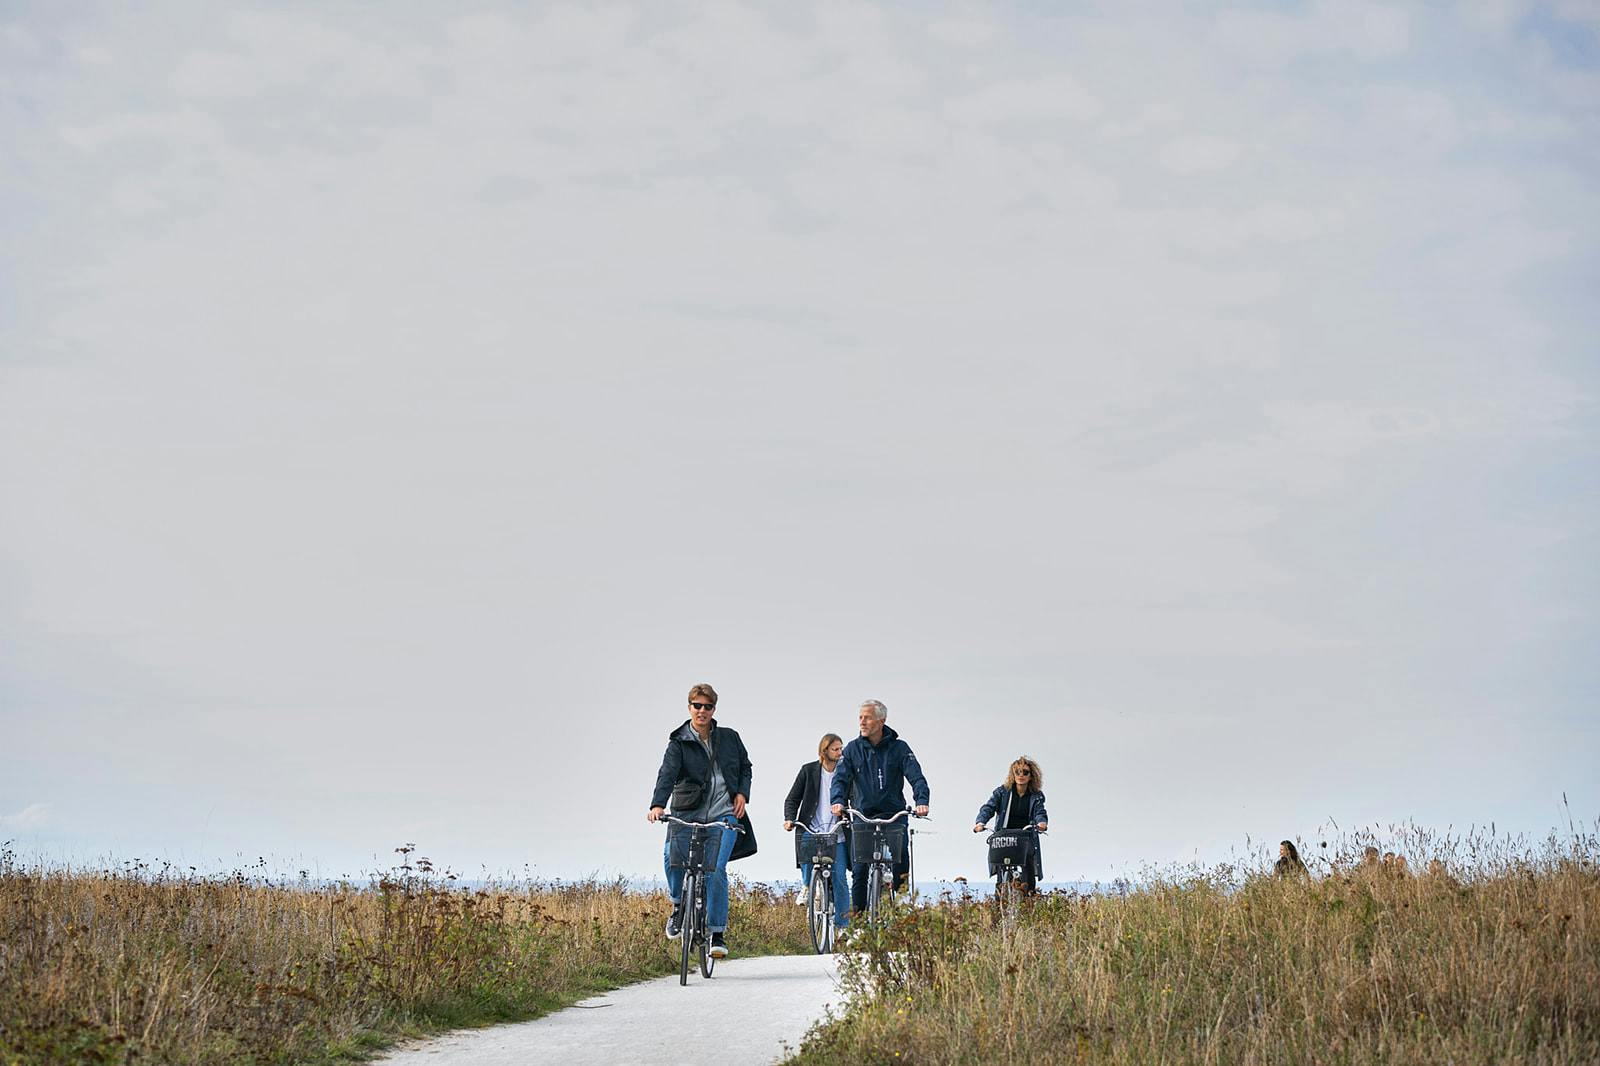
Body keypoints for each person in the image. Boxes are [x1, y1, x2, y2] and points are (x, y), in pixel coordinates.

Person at [647, 683, 753, 960]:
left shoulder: (729, 738)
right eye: (697, 706)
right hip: (686, 812)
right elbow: (666, 775)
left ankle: (717, 933)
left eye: (707, 706)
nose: (702, 711)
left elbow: (745, 767)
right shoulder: (678, 742)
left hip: (724, 813)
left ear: (714, 709)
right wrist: (657, 805)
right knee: (671, 854)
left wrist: (742, 793)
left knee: (716, 869)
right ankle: (678, 906)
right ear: (689, 707)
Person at [829, 699, 930, 915]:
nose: (862, 722)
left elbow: (916, 776)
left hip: (893, 814)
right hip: (862, 814)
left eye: (867, 717)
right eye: (860, 718)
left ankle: (901, 906)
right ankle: (858, 921)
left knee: (900, 858)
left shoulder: (900, 748)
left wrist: (921, 801)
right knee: (859, 869)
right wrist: (837, 801)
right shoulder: (853, 749)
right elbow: (840, 778)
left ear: (881, 721)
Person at [783, 733, 851, 931]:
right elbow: (792, 799)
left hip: (836, 832)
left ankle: (843, 926)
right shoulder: (809, 771)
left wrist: (850, 813)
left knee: (839, 879)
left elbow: (855, 796)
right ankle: (807, 886)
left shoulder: (846, 773)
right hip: (812, 828)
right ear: (825, 751)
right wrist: (789, 819)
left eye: (841, 749)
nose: (840, 753)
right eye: (835, 749)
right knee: (806, 849)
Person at [972, 756, 1049, 893]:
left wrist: (1041, 822)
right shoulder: (1002, 792)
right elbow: (988, 807)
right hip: (1005, 835)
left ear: (1031, 776)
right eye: (1017, 772)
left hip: (1025, 836)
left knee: (1028, 869)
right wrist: (980, 822)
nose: (1021, 775)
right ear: (1012, 774)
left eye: (1025, 772)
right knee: (1001, 868)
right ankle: (998, 902)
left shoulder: (1036, 795)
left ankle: (1029, 900)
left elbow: (1040, 812)